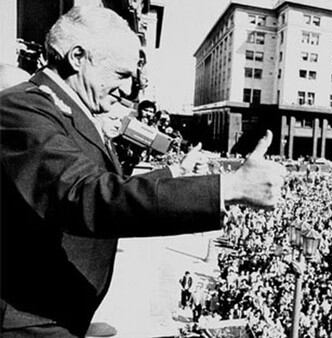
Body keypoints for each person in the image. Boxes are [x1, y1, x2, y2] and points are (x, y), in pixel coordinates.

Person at [0, 6, 285, 338]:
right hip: (30, 320)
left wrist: (174, 175)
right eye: (121, 74)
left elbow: (106, 186)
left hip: (53, 313)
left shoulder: (60, 109)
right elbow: (88, 194)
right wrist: (228, 186)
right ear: (78, 57)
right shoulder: (21, 109)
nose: (127, 89)